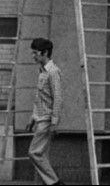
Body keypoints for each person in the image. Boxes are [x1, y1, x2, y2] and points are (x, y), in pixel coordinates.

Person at [25, 38, 65, 186]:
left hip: (47, 120)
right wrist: (32, 118)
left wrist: (54, 122)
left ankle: (55, 183)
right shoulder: (42, 71)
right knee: (41, 154)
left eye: (35, 53)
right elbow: (39, 98)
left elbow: (58, 98)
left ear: (45, 52)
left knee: (34, 152)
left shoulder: (53, 72)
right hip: (40, 118)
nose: (33, 56)